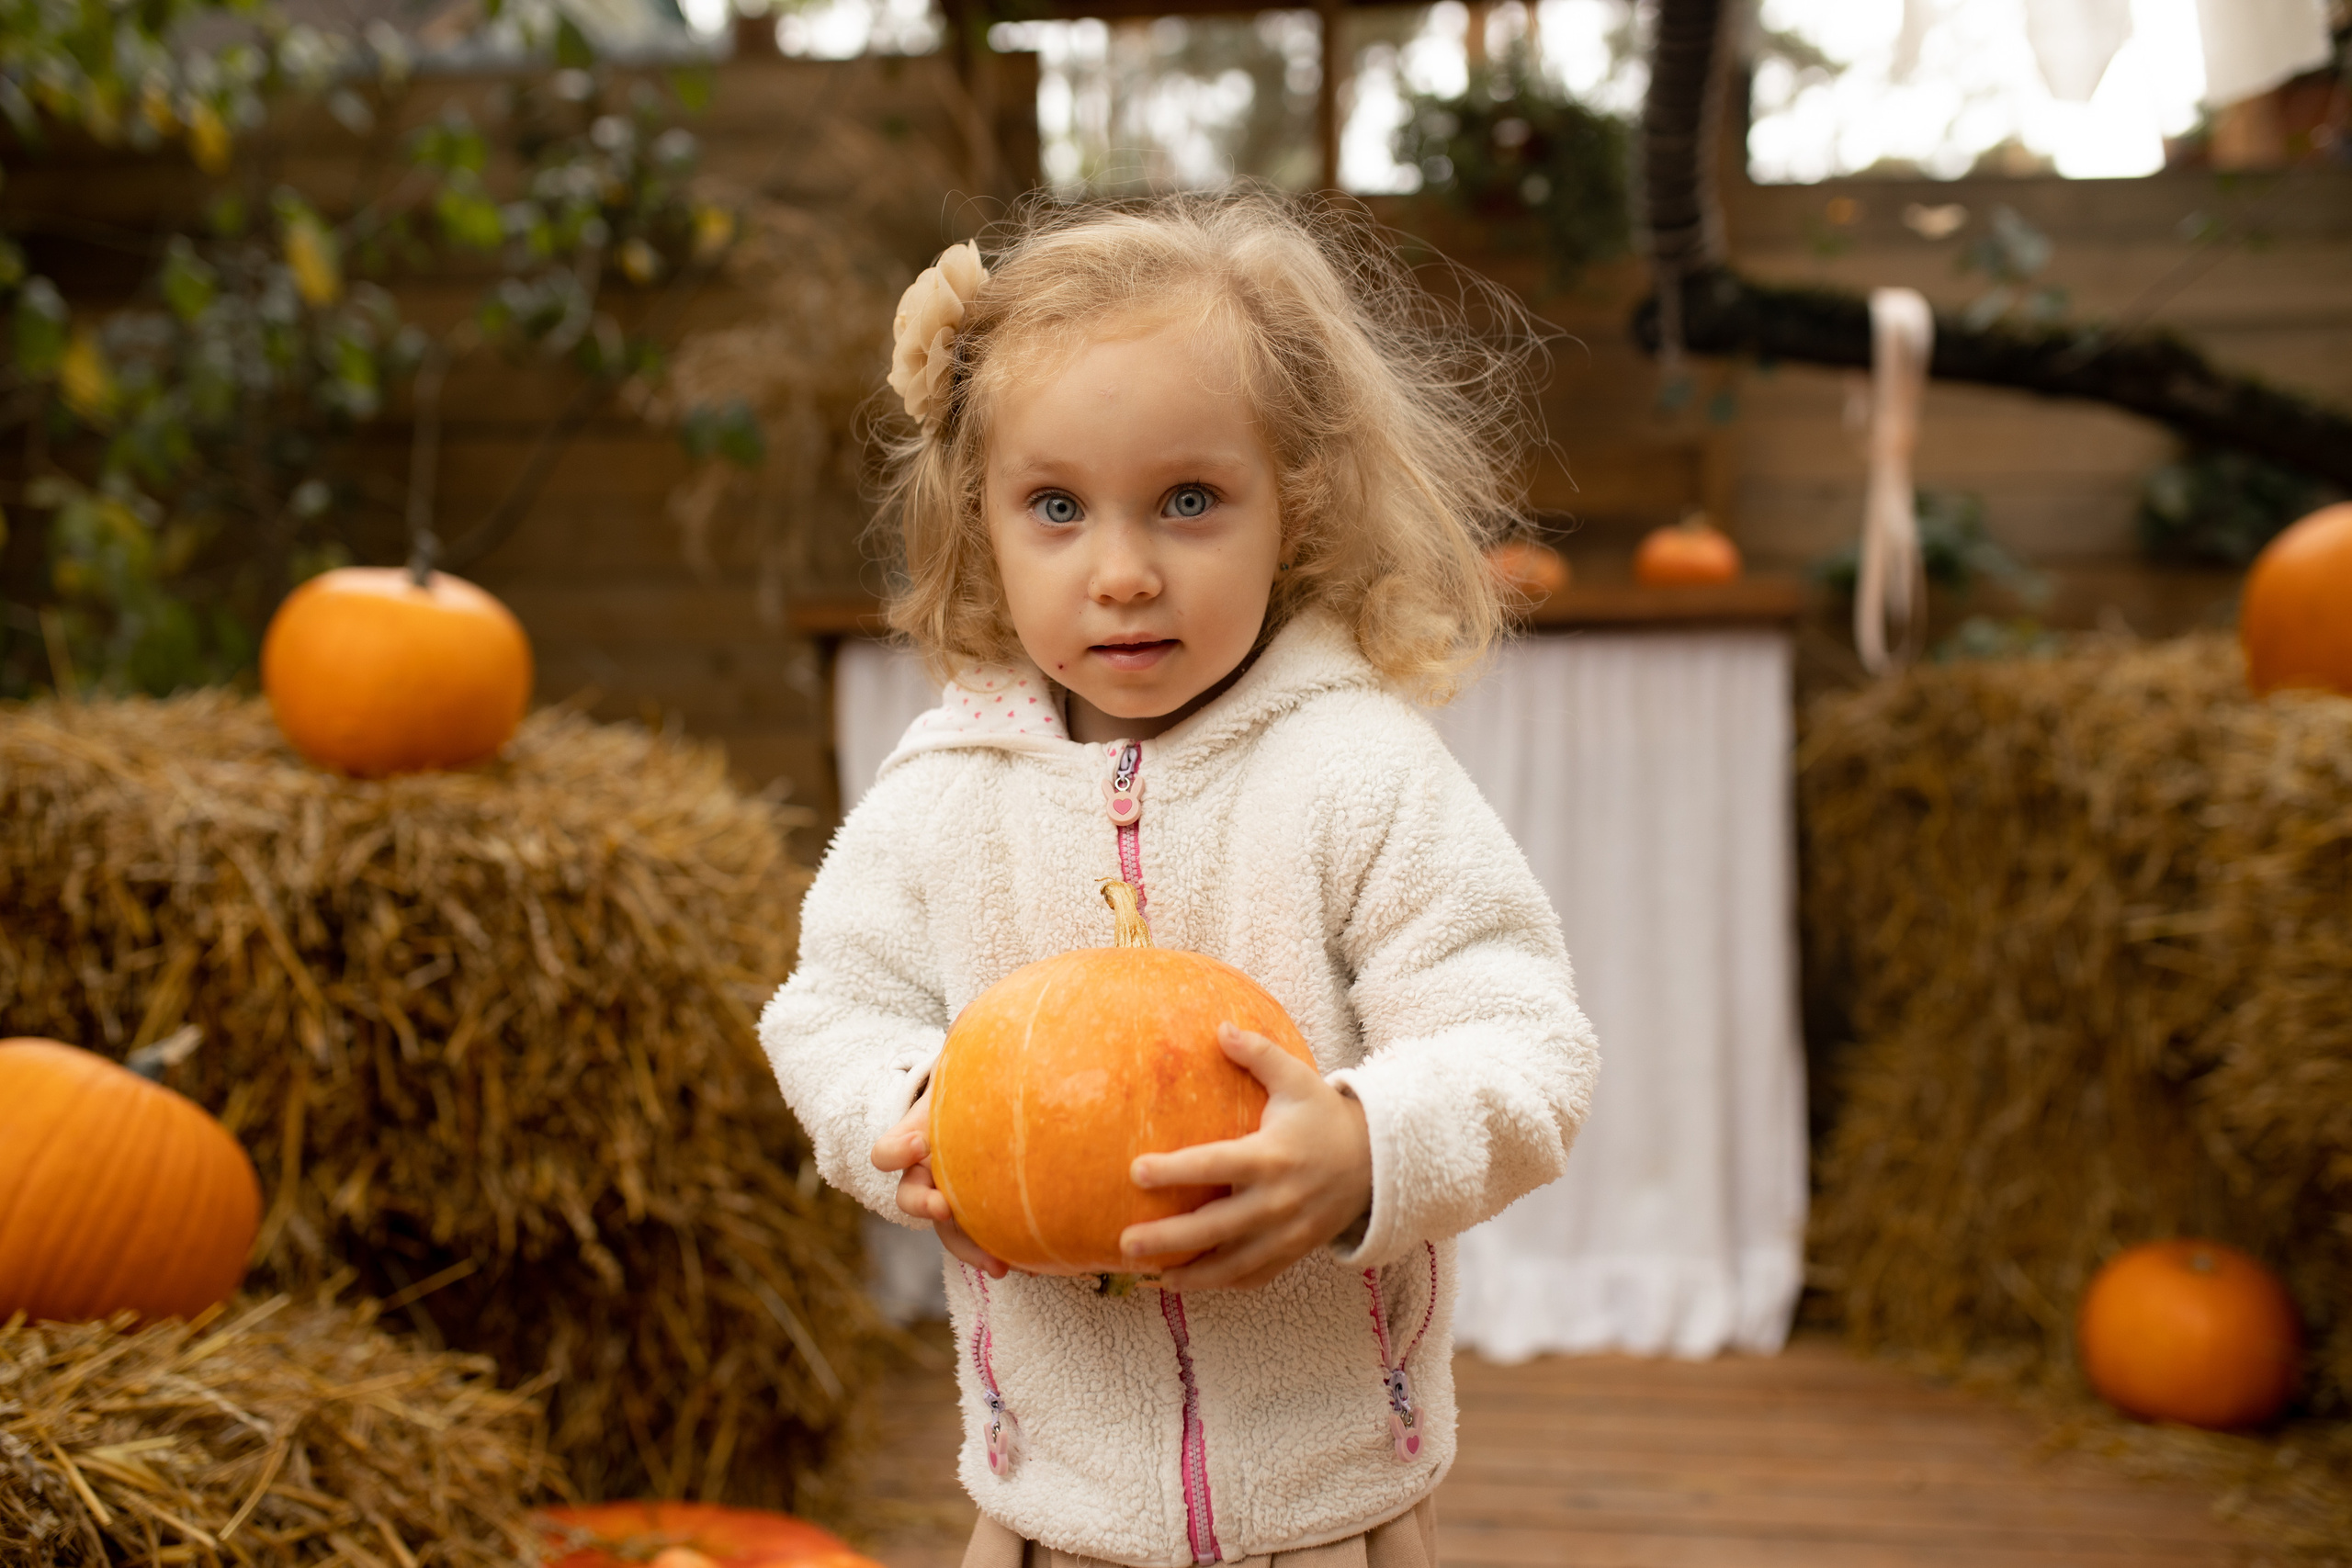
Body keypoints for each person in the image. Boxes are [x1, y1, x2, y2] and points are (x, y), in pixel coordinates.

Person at [760, 191, 1599, 1568]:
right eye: (1056, 509)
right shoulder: (948, 789)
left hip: (1326, 1515)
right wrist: (899, 1113)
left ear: (1298, 500)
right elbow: (829, 1006)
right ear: (979, 520)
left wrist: (1365, 1146)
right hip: (1049, 1515)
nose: (1126, 573)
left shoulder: (1358, 772)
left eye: (1190, 502)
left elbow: (1523, 1044)